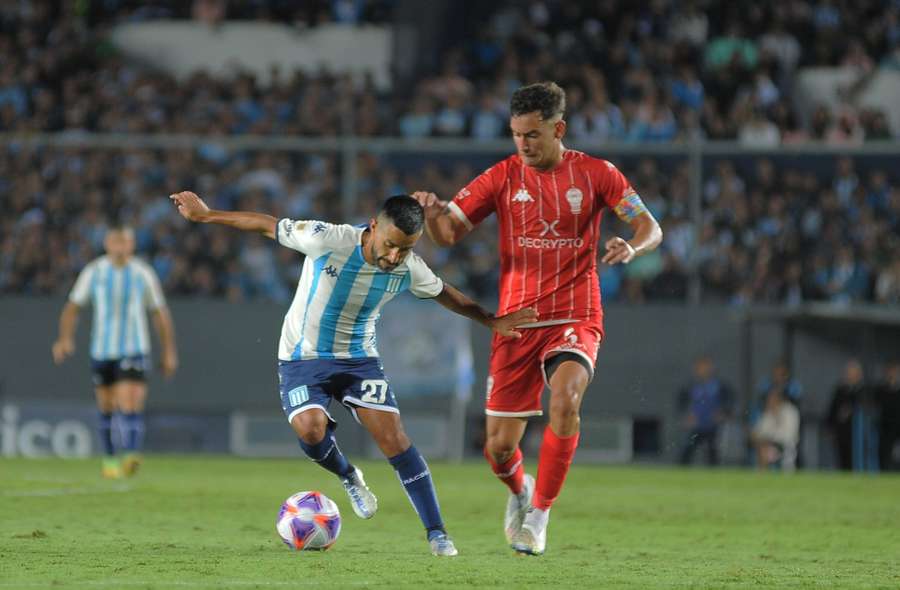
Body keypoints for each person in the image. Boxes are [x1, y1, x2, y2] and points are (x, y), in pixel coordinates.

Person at [169, 191, 536, 557]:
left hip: (359, 361)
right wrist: (207, 216)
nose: (394, 257)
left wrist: (490, 320)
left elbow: (444, 293)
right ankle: (348, 475)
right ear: (374, 226)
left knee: (393, 437)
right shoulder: (327, 239)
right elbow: (267, 225)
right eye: (390, 245)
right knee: (311, 432)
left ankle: (437, 533)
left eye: (404, 250)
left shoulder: (410, 269)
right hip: (302, 358)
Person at [411, 81, 662, 555]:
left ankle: (540, 516)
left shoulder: (596, 174)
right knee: (498, 450)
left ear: (558, 128)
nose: (523, 145)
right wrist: (433, 213)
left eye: (532, 135)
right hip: (515, 324)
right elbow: (446, 237)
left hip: (575, 315)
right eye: (516, 135)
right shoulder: (502, 177)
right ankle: (519, 490)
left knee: (565, 401)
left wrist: (632, 245)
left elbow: (650, 225)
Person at [52, 225, 178, 478]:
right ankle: (110, 460)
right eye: (115, 242)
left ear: (132, 245)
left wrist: (169, 351)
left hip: (134, 348)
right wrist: (64, 339)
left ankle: (131, 454)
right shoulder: (94, 272)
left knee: (129, 399)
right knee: (107, 405)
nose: (120, 247)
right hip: (101, 349)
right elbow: (72, 307)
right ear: (107, 244)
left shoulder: (142, 273)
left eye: (125, 242)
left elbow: (160, 313)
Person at [677, 355, 733, 466]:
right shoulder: (690, 386)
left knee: (713, 452)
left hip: (713, 426)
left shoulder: (719, 386)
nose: (702, 371)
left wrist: (723, 413)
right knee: (688, 450)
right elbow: (681, 403)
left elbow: (729, 401)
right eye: (699, 368)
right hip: (696, 425)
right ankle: (681, 473)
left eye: (705, 367)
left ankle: (714, 475)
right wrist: (686, 415)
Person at [827, 359, 866, 471]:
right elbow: (832, 409)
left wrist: (851, 410)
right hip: (841, 430)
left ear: (859, 375)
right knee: (841, 456)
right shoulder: (839, 390)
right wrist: (831, 426)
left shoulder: (863, 391)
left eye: (852, 373)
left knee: (856, 456)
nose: (849, 375)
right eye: (848, 373)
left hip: (857, 433)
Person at [750, 387, 800, 472]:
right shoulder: (768, 413)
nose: (770, 401)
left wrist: (770, 438)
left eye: (773, 398)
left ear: (780, 399)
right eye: (769, 399)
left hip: (785, 447)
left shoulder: (790, 412)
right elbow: (758, 431)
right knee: (762, 447)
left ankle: (763, 475)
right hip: (768, 444)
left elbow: (790, 435)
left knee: (765, 450)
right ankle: (762, 475)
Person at [874, 360, 900, 471]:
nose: (893, 374)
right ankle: (883, 475)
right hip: (885, 428)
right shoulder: (881, 390)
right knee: (883, 455)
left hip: (898, 427)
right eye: (891, 371)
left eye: (895, 371)